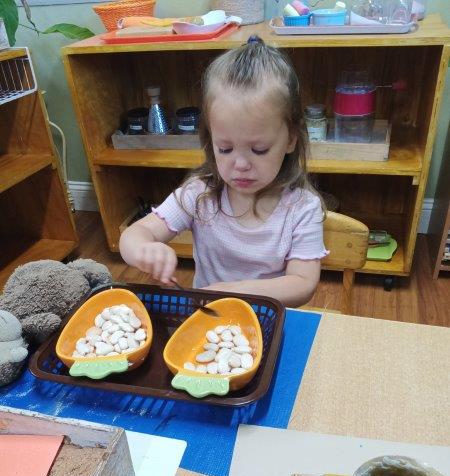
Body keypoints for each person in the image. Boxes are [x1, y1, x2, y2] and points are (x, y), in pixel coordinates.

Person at [119, 36, 328, 307]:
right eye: (225, 149)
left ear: (290, 140)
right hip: (209, 321)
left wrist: (234, 292)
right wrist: (144, 248)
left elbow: (302, 283)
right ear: (210, 140)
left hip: (267, 320)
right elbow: (132, 235)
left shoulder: (302, 208)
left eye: (259, 149)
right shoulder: (198, 195)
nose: (240, 164)